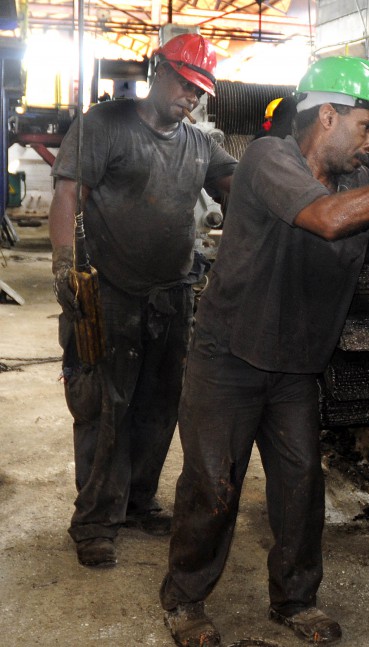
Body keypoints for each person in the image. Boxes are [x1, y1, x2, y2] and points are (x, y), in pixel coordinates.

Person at [158, 56, 369, 647]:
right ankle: (185, 598)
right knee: (213, 486)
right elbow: (325, 220)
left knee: (300, 488)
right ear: (327, 115)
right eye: (366, 128)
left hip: (295, 368)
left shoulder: (358, 185)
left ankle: (295, 600)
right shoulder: (269, 160)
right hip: (229, 358)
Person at [49, 32, 236, 569]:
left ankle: (136, 502)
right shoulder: (104, 125)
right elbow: (68, 193)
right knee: (105, 407)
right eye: (184, 83)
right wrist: (65, 264)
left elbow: (242, 186)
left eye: (199, 90)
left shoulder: (199, 143)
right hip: (109, 293)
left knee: (159, 405)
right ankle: (94, 522)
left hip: (171, 296)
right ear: (158, 70)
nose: (190, 96)